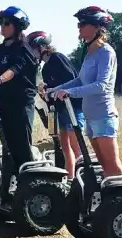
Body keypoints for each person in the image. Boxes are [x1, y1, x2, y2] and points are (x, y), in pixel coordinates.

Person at [48, 7, 122, 177]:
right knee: (104, 166)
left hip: (103, 116)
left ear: (97, 27)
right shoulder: (90, 52)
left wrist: (70, 93)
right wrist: (58, 89)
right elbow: (80, 80)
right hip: (90, 117)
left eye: (83, 24)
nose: (79, 27)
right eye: (79, 24)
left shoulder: (106, 52)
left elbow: (102, 85)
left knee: (112, 166)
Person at [0, 6, 39, 208]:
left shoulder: (24, 49)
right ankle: (8, 196)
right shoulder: (2, 48)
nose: (2, 27)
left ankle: (30, 195)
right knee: (8, 151)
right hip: (3, 105)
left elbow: (13, 71)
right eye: (1, 23)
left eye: (7, 23)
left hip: (20, 105)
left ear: (17, 26)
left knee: (22, 150)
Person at [27, 31, 86, 179]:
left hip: (72, 107)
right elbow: (51, 92)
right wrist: (45, 92)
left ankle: (84, 179)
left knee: (76, 147)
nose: (32, 53)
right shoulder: (45, 68)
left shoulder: (58, 58)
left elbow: (71, 80)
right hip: (60, 109)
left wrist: (52, 88)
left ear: (41, 47)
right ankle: (71, 179)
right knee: (65, 148)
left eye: (32, 48)